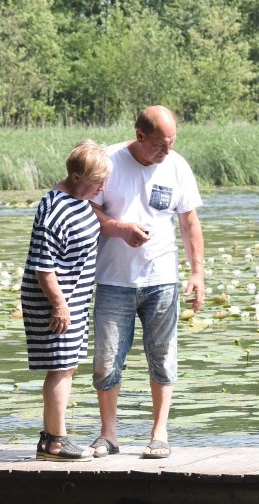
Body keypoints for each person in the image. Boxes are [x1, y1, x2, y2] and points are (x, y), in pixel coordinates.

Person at [89, 105, 205, 459]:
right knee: (107, 360)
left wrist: (197, 272)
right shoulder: (107, 162)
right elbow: (87, 210)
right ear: (140, 136)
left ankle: (159, 433)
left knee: (163, 357)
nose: (166, 151)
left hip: (162, 280)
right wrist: (120, 229)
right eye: (160, 145)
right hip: (113, 280)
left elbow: (188, 222)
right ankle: (108, 435)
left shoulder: (177, 165)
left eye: (171, 143)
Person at [21, 139, 111, 461]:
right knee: (61, 368)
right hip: (54, 301)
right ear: (76, 177)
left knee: (67, 367)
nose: (102, 188)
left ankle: (49, 440)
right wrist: (60, 305)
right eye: (97, 182)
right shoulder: (54, 208)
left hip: (72, 298)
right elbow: (42, 268)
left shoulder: (78, 199)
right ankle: (57, 442)